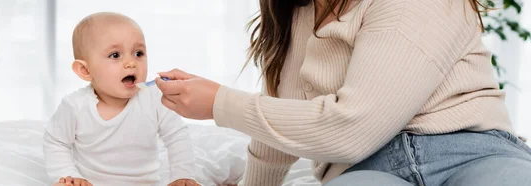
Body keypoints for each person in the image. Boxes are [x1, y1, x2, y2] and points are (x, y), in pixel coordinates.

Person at [154, 0, 531, 185]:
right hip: (367, 170)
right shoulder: (301, 14)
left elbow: (352, 129)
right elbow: (280, 128)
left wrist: (220, 102)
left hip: (470, 153)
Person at [43, 12, 200, 186]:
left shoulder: (155, 99)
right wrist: (69, 176)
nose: (131, 63)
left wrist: (182, 176)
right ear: (85, 71)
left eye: (138, 53)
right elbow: (56, 142)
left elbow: (177, 136)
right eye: (115, 55)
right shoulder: (75, 106)